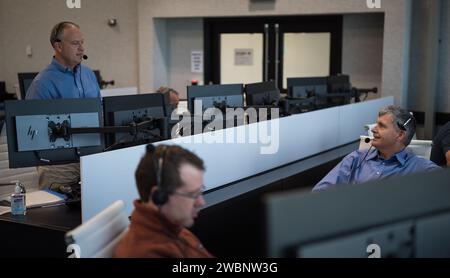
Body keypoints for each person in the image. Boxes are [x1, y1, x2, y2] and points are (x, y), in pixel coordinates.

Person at [26, 21, 101, 189]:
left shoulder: (88, 74)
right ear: (58, 46)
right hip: (59, 165)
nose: (81, 48)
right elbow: (32, 132)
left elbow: (100, 112)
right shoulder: (42, 83)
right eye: (75, 43)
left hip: (92, 157)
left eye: (82, 42)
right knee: (57, 213)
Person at [114, 144, 213, 258]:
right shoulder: (146, 253)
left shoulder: (173, 227)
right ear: (159, 196)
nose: (201, 202)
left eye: (200, 191)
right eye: (192, 194)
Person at [313, 105, 440, 192]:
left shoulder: (421, 168)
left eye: (381, 126)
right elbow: (320, 192)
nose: (373, 129)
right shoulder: (356, 159)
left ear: (400, 135)